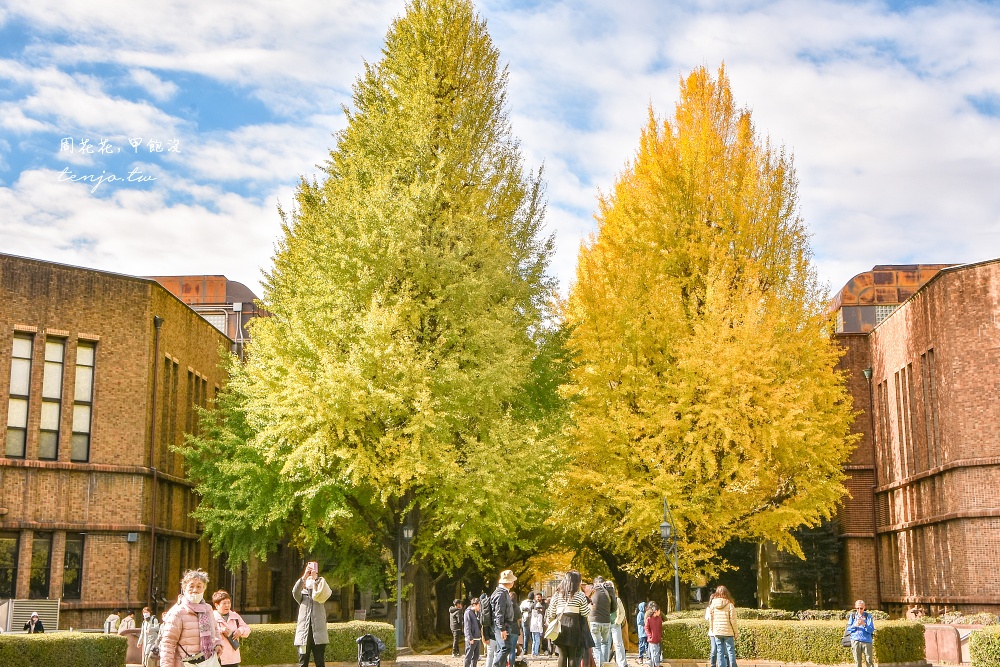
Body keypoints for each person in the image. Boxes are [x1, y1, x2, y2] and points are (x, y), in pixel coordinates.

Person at [159, 569, 224, 667]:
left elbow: (214, 629)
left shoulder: (208, 609)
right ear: (184, 588)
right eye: (191, 586)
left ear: (204, 588)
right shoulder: (177, 612)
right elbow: (168, 643)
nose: (195, 590)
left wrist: (218, 644)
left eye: (199, 586)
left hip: (208, 661)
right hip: (186, 663)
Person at [545, 570, 592, 667]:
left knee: (562, 655)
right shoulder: (580, 595)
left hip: (560, 626)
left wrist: (550, 622)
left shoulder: (557, 595)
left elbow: (551, 612)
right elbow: (585, 613)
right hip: (575, 626)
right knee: (572, 655)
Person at [293, 561, 333, 667]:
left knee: (320, 662)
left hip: (318, 636)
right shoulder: (301, 597)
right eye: (308, 581)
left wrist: (315, 580)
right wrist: (304, 576)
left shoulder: (320, 596)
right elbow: (294, 591)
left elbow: (325, 592)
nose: (309, 582)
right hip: (304, 636)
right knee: (303, 663)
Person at [214, 590, 251, 667]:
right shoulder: (211, 616)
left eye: (228, 602)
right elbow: (206, 631)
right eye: (224, 603)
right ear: (217, 605)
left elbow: (247, 629)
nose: (227, 605)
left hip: (233, 658)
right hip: (217, 657)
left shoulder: (235, 616)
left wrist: (240, 631)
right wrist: (221, 630)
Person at [490, 570, 518, 667]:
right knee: (506, 647)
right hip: (502, 625)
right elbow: (499, 613)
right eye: (512, 580)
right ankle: (496, 665)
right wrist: (502, 628)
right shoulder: (501, 594)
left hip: (501, 624)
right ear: (508, 582)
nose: (513, 582)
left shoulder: (502, 592)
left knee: (501, 648)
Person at [587, 576, 616, 666]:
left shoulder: (592, 590)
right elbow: (614, 607)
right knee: (605, 643)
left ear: (595, 583)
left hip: (594, 620)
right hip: (606, 621)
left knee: (596, 646)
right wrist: (607, 612)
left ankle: (602, 665)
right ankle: (605, 664)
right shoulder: (609, 590)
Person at [707, 587, 738, 667]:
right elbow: (733, 620)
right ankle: (733, 665)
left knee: (720, 651)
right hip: (728, 632)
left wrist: (712, 629)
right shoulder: (730, 605)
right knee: (730, 650)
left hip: (717, 632)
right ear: (726, 593)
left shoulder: (712, 605)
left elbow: (711, 619)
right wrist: (736, 632)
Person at [846, 600, 875, 667]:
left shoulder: (868, 616)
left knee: (869, 661)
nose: (859, 610)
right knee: (857, 662)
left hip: (866, 641)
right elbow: (848, 629)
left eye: (861, 608)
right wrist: (855, 625)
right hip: (855, 640)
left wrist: (864, 624)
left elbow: (871, 630)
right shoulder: (852, 616)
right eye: (857, 608)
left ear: (864, 607)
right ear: (855, 608)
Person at [605, 582, 628, 667]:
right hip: (606, 625)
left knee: (618, 644)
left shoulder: (617, 599)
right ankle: (605, 662)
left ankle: (622, 663)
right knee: (606, 644)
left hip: (615, 624)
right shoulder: (604, 600)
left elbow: (622, 612)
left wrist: (618, 622)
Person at [465, 597, 483, 667]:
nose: (480, 607)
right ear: (474, 605)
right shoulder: (468, 612)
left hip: (477, 638)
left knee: (475, 657)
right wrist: (470, 637)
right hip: (472, 638)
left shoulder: (477, 613)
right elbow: (467, 626)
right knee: (469, 656)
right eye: (479, 605)